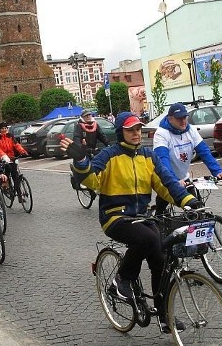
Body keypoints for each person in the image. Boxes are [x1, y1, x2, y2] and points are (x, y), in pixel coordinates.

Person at [61, 111, 201, 333]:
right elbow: (91, 180)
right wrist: (80, 161)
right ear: (120, 132)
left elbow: (166, 183)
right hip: (115, 216)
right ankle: (121, 280)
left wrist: (190, 202)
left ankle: (164, 316)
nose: (136, 133)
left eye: (138, 129)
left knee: (161, 260)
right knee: (147, 239)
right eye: (130, 130)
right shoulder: (108, 155)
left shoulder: (148, 156)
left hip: (142, 217)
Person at [152, 103, 222, 214]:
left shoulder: (190, 130)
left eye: (185, 118)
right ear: (170, 119)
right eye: (179, 119)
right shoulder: (161, 133)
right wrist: (173, 180)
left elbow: (204, 152)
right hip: (165, 178)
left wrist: (218, 171)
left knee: (196, 209)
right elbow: (163, 160)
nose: (183, 121)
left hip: (184, 177)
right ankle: (157, 219)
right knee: (161, 210)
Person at [0, 122, 29, 202]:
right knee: (7, 168)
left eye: (5, 128)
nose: (4, 130)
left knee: (15, 177)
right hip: (2, 159)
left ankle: (20, 196)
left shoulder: (10, 136)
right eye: (2, 128)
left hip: (11, 157)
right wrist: (2, 157)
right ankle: (6, 184)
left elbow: (16, 144)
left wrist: (22, 151)